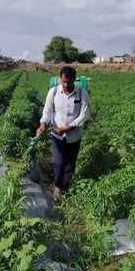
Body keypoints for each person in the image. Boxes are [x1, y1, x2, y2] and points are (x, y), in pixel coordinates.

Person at [36, 66, 90, 203]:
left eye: (69, 82)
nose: (66, 85)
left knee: (70, 163)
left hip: (74, 136)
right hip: (57, 135)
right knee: (59, 162)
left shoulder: (82, 93)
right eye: (64, 82)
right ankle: (58, 187)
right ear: (60, 79)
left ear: (74, 80)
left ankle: (65, 186)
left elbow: (84, 115)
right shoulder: (53, 92)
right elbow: (47, 111)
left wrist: (67, 128)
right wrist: (43, 124)